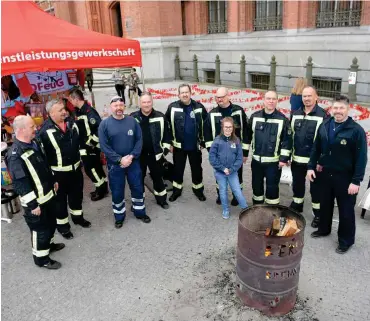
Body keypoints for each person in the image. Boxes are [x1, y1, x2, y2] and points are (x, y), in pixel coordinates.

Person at [308, 95, 367, 254]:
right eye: (336, 108)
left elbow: (361, 158)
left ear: (348, 109)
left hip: (346, 178)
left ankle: (345, 241)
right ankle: (324, 229)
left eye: (342, 108)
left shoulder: (356, 131)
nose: (338, 111)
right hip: (325, 174)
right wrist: (311, 167)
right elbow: (316, 148)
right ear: (331, 108)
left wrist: (356, 181)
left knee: (346, 211)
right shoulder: (325, 124)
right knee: (325, 204)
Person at [6, 115, 64, 269]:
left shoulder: (34, 143)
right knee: (40, 231)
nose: (36, 129)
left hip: (48, 195)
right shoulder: (15, 155)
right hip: (36, 203)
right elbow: (20, 183)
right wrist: (32, 205)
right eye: (32, 127)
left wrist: (53, 181)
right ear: (21, 130)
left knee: (51, 224)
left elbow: (44, 165)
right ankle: (42, 259)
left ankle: (49, 246)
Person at [37, 99, 91, 240]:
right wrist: (51, 177)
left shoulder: (72, 123)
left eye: (64, 109)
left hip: (75, 170)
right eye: (60, 110)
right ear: (51, 113)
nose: (64, 111)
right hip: (58, 174)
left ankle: (78, 218)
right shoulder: (44, 132)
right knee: (60, 203)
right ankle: (63, 227)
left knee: (77, 196)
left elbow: (80, 141)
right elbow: (42, 158)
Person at [98, 95, 151, 228]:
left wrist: (131, 156)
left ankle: (140, 212)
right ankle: (119, 216)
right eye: (115, 106)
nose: (118, 108)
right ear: (111, 107)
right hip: (115, 165)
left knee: (138, 188)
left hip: (133, 162)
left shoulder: (132, 121)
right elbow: (104, 146)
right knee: (117, 191)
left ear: (124, 107)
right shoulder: (104, 124)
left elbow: (139, 140)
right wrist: (119, 159)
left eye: (121, 105)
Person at [289, 86, 329, 227]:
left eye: (309, 96)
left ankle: (318, 214)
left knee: (316, 190)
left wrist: (321, 161)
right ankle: (297, 205)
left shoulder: (323, 116)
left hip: (314, 162)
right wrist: (287, 156)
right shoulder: (295, 113)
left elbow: (325, 142)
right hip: (297, 159)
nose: (306, 98)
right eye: (304, 96)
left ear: (316, 97)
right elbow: (290, 136)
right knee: (297, 185)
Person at [246, 90, 292, 205]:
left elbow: (287, 140)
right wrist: (244, 154)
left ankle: (271, 211)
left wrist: (283, 159)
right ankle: (257, 209)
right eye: (268, 99)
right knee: (256, 186)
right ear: (264, 100)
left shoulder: (283, 120)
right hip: (257, 161)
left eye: (273, 99)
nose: (271, 101)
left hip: (274, 163)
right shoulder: (254, 117)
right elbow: (247, 137)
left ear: (277, 101)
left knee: (272, 189)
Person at [204, 87, 249, 206]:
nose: (220, 99)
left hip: (235, 150)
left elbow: (246, 131)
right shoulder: (212, 114)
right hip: (220, 152)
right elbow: (207, 133)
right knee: (220, 174)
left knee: (237, 174)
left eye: (222, 97)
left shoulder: (238, 111)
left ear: (228, 96)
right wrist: (211, 151)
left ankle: (236, 196)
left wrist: (245, 152)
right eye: (217, 97)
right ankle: (220, 195)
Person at [164, 83, 208, 202]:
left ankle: (198, 190)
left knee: (197, 170)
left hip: (195, 147)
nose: (184, 94)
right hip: (179, 147)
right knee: (178, 170)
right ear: (178, 94)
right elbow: (166, 126)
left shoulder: (199, 107)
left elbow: (206, 124)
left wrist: (203, 142)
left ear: (190, 93)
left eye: (186, 92)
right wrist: (170, 144)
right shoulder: (172, 107)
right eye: (182, 92)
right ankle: (177, 191)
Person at [130, 92, 171, 209]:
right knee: (138, 179)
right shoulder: (133, 118)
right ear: (139, 103)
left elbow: (167, 136)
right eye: (144, 102)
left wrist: (164, 151)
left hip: (156, 155)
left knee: (158, 177)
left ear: (152, 102)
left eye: (148, 102)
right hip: (139, 156)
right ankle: (138, 202)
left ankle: (161, 199)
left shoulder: (160, 116)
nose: (147, 104)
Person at [68, 88, 108, 201]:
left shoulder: (89, 111)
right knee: (97, 168)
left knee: (91, 169)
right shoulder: (79, 111)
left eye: (71, 99)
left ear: (76, 99)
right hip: (85, 147)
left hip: (90, 148)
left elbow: (99, 129)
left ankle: (101, 190)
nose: (70, 102)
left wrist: (91, 143)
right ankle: (102, 187)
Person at [209, 117, 248, 219]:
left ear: (233, 128)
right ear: (222, 128)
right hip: (220, 172)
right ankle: (225, 210)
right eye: (226, 127)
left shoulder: (236, 141)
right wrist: (222, 168)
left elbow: (239, 158)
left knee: (237, 191)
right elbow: (212, 158)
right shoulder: (217, 141)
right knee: (223, 191)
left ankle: (246, 209)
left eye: (230, 127)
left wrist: (232, 169)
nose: (228, 129)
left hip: (232, 172)